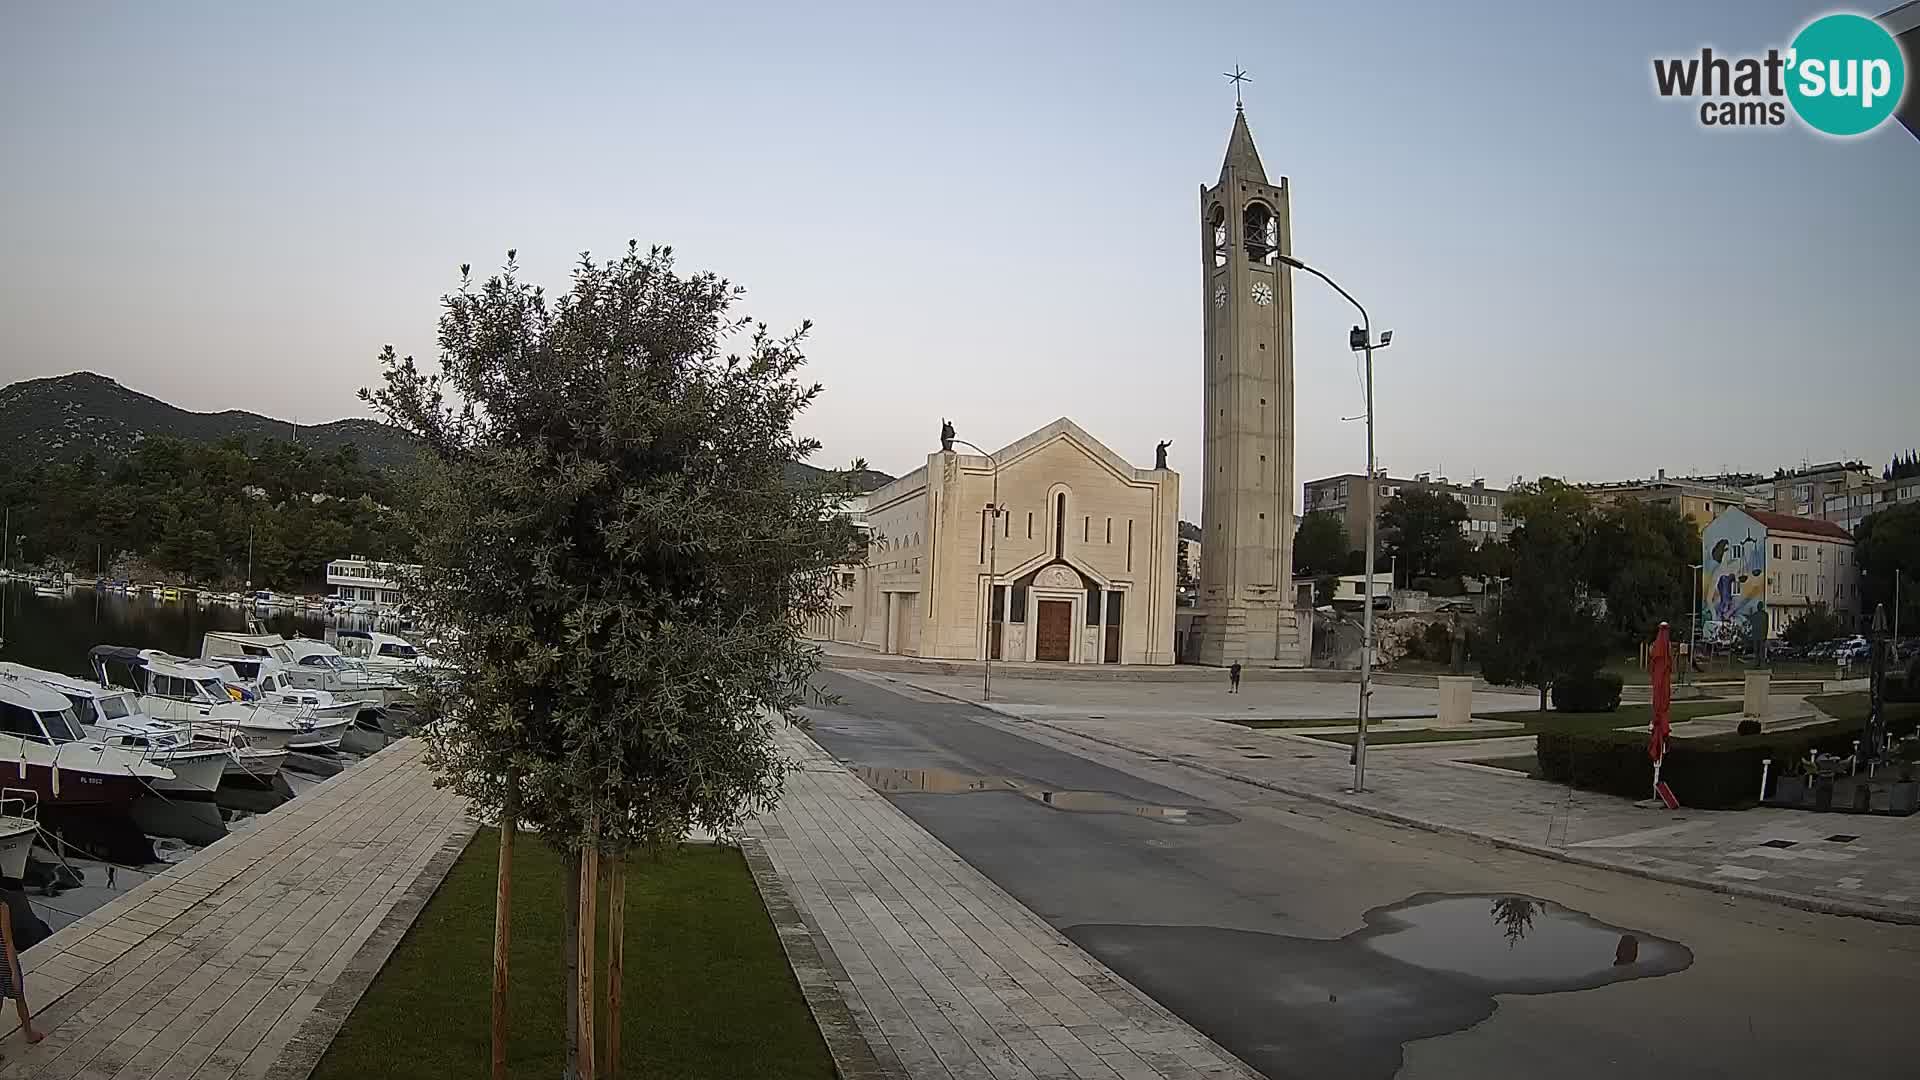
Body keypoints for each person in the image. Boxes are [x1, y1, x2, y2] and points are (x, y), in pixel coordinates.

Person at [0, 890, 44, 1044]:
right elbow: (7, 941)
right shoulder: (2, 906)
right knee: (19, 996)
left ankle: (28, 1031)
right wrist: (14, 973)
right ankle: (28, 1032)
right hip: (3, 961)